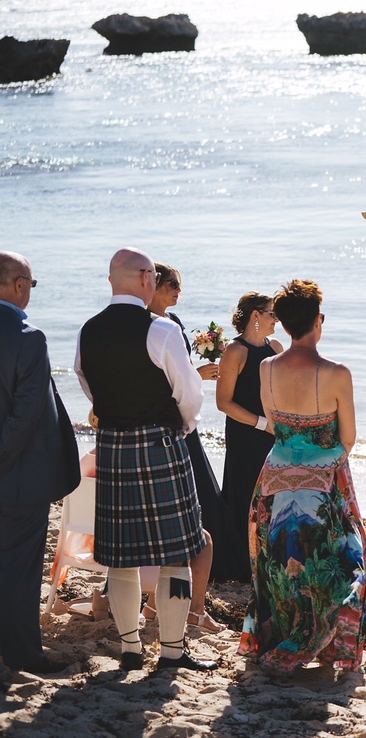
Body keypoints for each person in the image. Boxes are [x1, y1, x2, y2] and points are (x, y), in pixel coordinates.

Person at [74, 248, 213, 672]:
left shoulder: (88, 331)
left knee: (121, 555)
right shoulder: (163, 330)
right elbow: (190, 394)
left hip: (114, 443)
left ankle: (131, 648)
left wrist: (117, 415)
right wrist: (180, 428)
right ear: (144, 279)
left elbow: (85, 381)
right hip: (160, 444)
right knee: (175, 552)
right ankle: (171, 652)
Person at [237, 280, 366, 674]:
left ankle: (283, 638)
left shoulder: (266, 367)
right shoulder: (337, 373)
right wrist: (325, 460)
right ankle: (327, 644)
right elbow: (348, 438)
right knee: (345, 563)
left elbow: (277, 425)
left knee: (279, 564)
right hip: (323, 480)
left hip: (276, 476)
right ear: (316, 321)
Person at [0, 252, 81, 674]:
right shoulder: (28, 337)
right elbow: (25, 414)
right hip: (16, 477)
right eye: (31, 283)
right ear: (17, 285)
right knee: (18, 568)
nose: (30, 291)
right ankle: (21, 655)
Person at [145, 263, 229, 626]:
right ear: (154, 286)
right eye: (172, 285)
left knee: (203, 496)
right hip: (170, 425)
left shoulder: (174, 323)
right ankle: (190, 604)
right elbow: (165, 382)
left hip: (184, 421)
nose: (178, 291)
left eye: (180, 285)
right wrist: (196, 377)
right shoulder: (146, 326)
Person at [216, 291, 283, 582]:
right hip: (246, 435)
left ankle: (271, 560)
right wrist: (261, 424)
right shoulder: (235, 351)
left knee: (275, 497)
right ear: (256, 315)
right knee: (246, 497)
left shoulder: (277, 346)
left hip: (276, 433)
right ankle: (244, 566)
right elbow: (223, 403)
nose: (277, 320)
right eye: (272, 313)